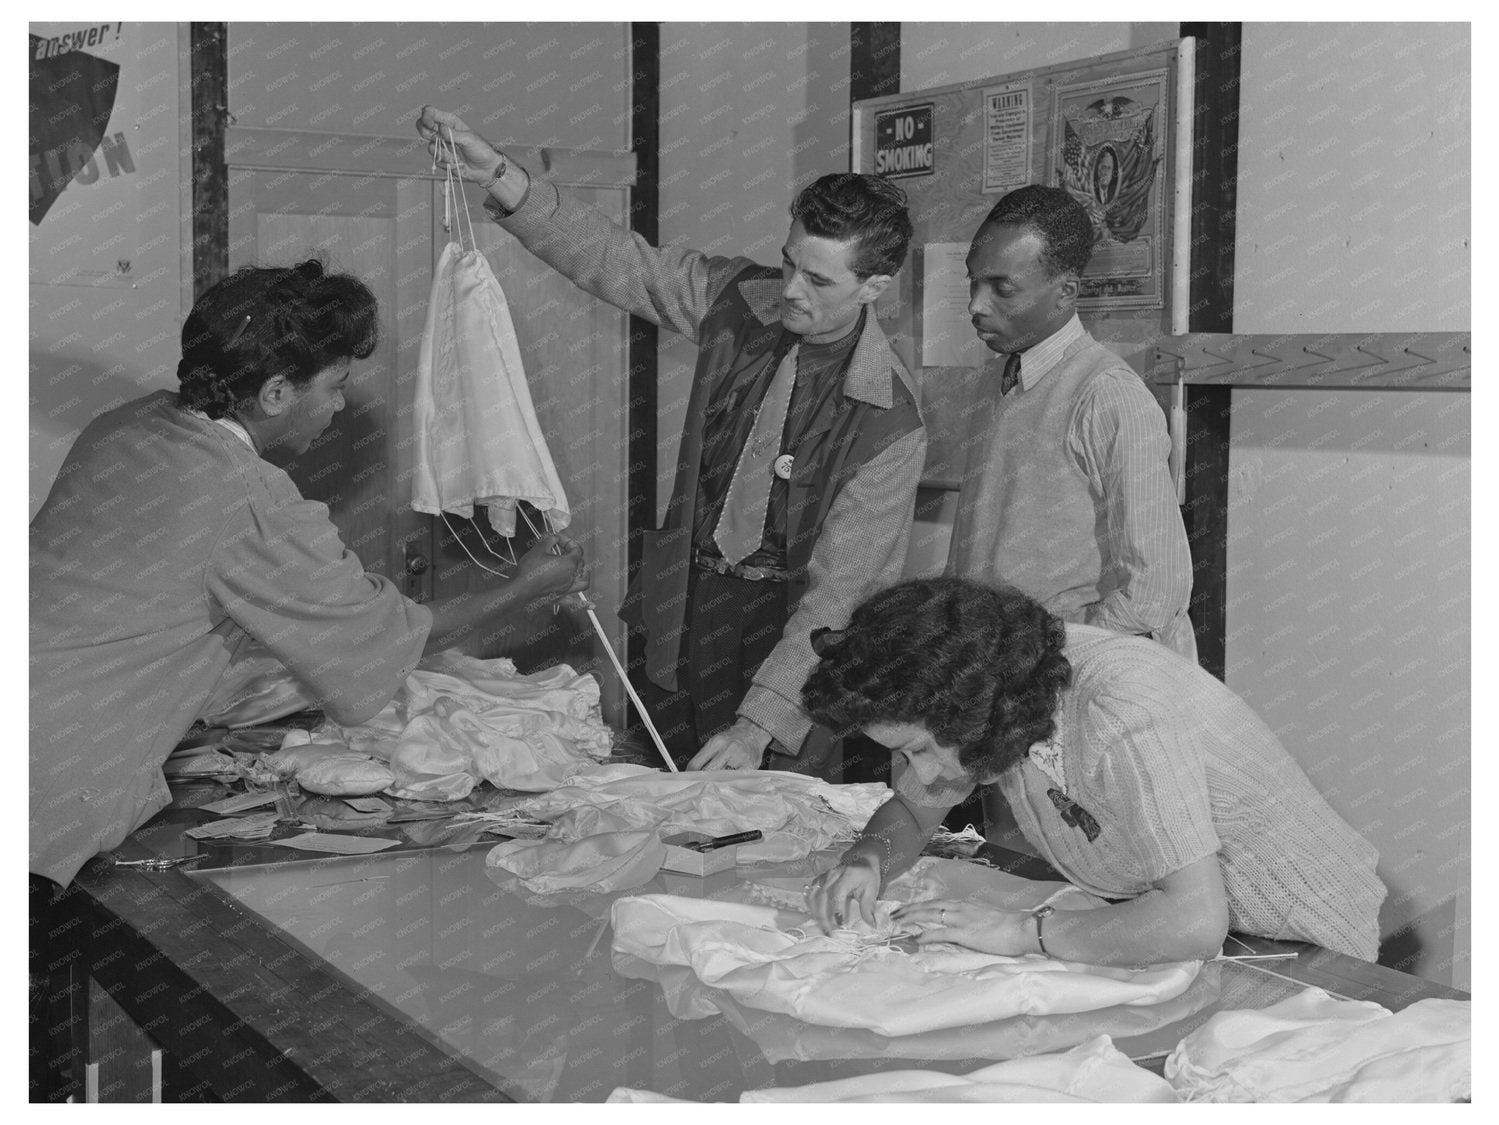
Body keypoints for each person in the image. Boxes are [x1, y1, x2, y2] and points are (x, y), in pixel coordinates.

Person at [29, 259, 589, 888]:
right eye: (335, 386)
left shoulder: (129, 423)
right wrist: (526, 585)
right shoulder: (249, 500)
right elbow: (382, 633)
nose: (339, 405)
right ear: (275, 394)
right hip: (49, 766)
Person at [416, 105, 926, 776]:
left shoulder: (890, 421)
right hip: (689, 613)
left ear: (874, 287)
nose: (791, 290)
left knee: (766, 817)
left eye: (819, 280)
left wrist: (757, 727)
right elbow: (617, 260)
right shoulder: (738, 300)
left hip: (795, 643)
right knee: (658, 795)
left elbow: (840, 598)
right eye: (789, 263)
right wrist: (501, 177)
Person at [801, 577, 1385, 964]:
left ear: (971, 711)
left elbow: (1193, 921)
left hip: (1295, 937)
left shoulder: (1122, 706)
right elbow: (912, 812)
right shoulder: (996, 694)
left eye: (920, 750)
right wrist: (869, 858)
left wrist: (1020, 932)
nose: (923, 774)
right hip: (1174, 918)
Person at [954, 185, 1195, 661]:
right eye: (973, 282)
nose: (976, 305)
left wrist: (1062, 660)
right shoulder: (994, 378)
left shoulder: (1107, 395)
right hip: (996, 665)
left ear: (1065, 293)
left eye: (1002, 288)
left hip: (1068, 670)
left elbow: (1156, 588)